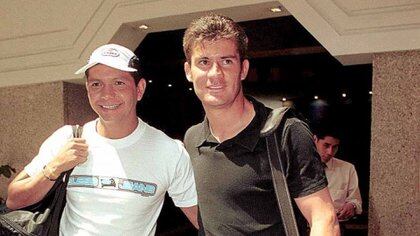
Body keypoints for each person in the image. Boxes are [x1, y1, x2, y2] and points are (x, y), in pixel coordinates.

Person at [6, 44, 198, 235]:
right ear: (88, 90)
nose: (107, 94)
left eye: (119, 83)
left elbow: (203, 220)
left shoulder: (168, 151)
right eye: (96, 84)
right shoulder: (68, 138)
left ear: (139, 89)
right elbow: (14, 199)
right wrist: (55, 168)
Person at [182, 14, 339, 235]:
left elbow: (324, 218)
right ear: (189, 71)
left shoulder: (285, 132)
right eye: (204, 62)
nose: (215, 73)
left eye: (226, 61)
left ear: (243, 69)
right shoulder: (193, 138)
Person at [313, 127, 362, 222]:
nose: (330, 152)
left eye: (335, 147)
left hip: (335, 225)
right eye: (326, 145)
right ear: (315, 140)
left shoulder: (347, 169)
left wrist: (352, 206)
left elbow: (356, 201)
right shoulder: (300, 167)